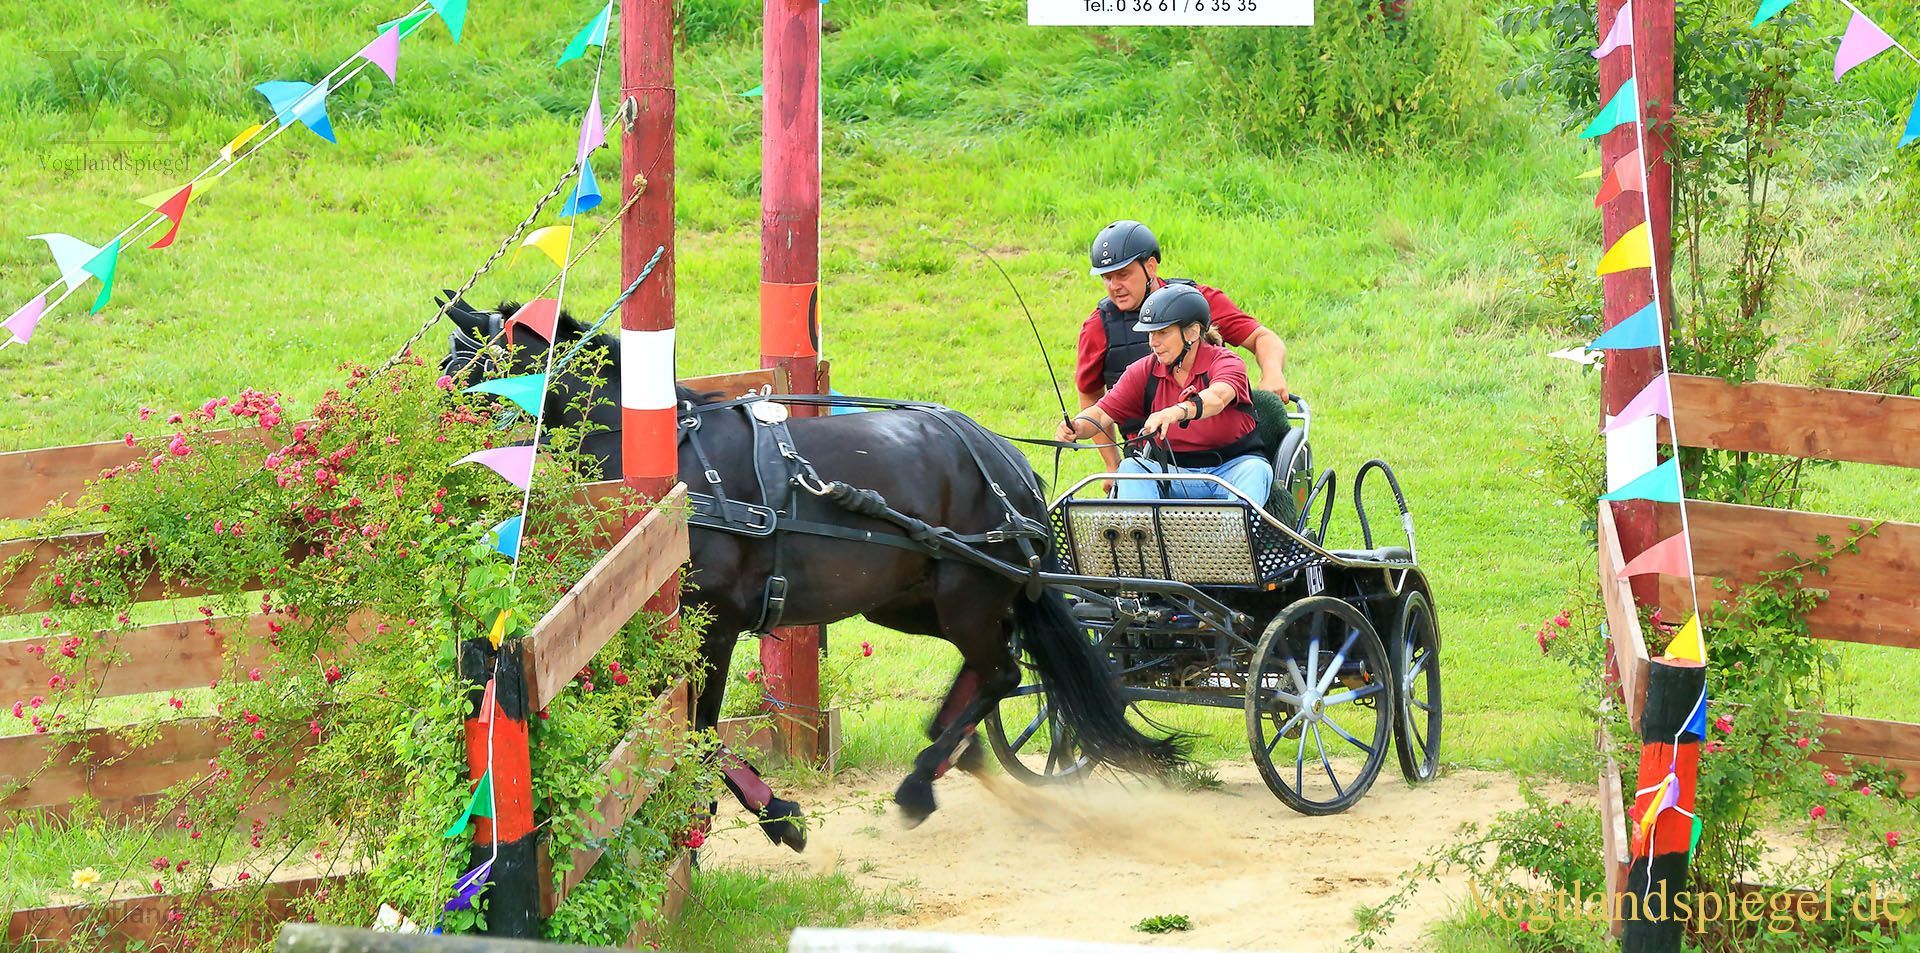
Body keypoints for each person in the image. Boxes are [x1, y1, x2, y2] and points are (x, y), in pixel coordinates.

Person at [1075, 220, 1289, 479]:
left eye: (1123, 274)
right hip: (1148, 455)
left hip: (1221, 447)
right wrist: (1112, 464)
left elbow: (1262, 338)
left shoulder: (1197, 303)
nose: (1114, 286)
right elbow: (1092, 398)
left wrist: (1272, 373)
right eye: (1107, 277)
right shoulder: (1098, 326)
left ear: (1150, 267)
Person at [1055, 284, 1273, 503]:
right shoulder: (1143, 370)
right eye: (1151, 333)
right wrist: (1078, 427)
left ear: (1192, 332)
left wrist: (1175, 412)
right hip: (1171, 473)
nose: (1153, 342)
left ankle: (1235, 535)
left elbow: (1217, 397)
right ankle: (1141, 535)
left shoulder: (1226, 362)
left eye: (1163, 332)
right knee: (1130, 467)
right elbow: (1102, 413)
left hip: (1233, 469)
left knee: (1256, 470)